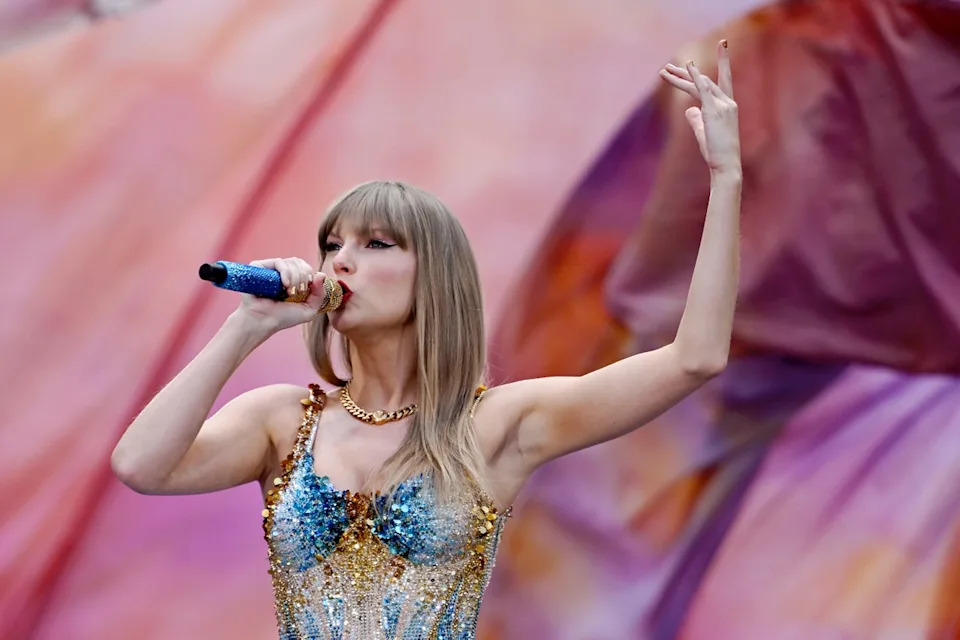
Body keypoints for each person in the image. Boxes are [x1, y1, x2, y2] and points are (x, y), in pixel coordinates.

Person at [110, 40, 741, 640]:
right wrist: (246, 326)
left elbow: (696, 358)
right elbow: (141, 465)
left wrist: (726, 178)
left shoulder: (496, 426)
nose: (341, 261)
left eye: (376, 244)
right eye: (332, 244)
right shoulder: (281, 420)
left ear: (434, 277)